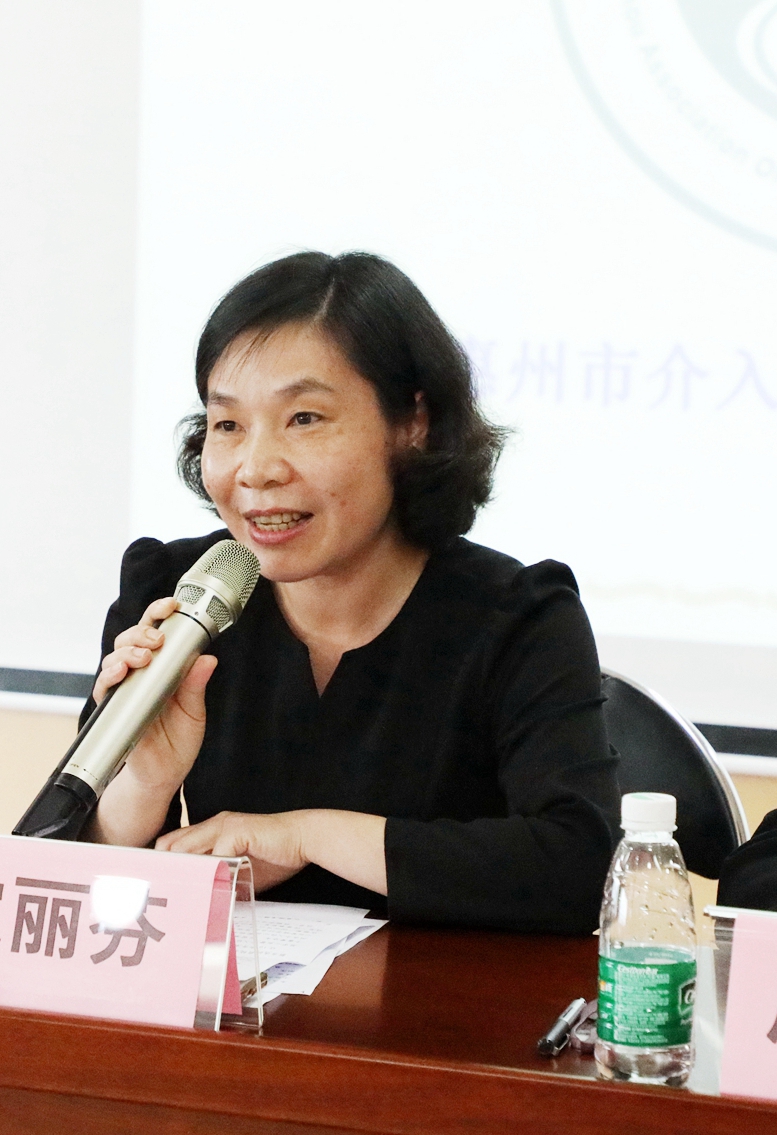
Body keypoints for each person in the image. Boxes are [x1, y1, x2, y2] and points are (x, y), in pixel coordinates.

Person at [83, 251, 620, 932]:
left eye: (304, 418)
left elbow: (579, 868)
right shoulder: (178, 594)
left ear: (412, 424)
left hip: (443, 998)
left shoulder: (518, 616)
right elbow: (63, 870)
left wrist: (306, 836)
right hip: (242, 997)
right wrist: (145, 782)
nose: (256, 468)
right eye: (228, 425)